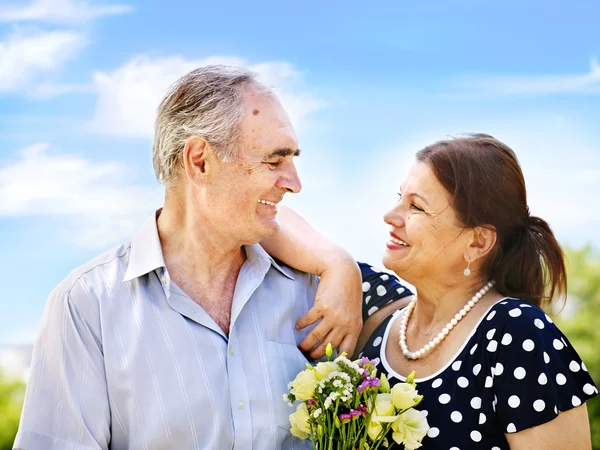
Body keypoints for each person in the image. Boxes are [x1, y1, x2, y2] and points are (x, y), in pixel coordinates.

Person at [13, 66, 362, 450]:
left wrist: (341, 265)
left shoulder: (320, 291)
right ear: (199, 161)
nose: (295, 183)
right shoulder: (86, 306)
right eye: (274, 161)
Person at [262, 134, 598, 449]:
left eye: (416, 207)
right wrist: (337, 263)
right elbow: (268, 218)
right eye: (399, 198)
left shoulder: (516, 333)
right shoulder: (371, 302)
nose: (391, 216)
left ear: (476, 241)